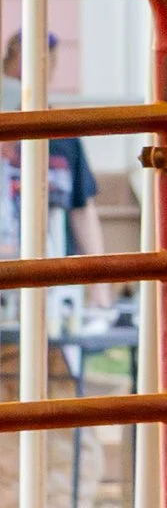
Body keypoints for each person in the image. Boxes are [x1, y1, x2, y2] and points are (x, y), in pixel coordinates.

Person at [2, 30, 113, 313]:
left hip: (55, 282)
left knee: (56, 352)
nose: (33, 74)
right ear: (8, 64)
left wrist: (99, 287)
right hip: (6, 277)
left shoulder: (62, 134)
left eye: (45, 64)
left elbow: (82, 208)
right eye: (25, 63)